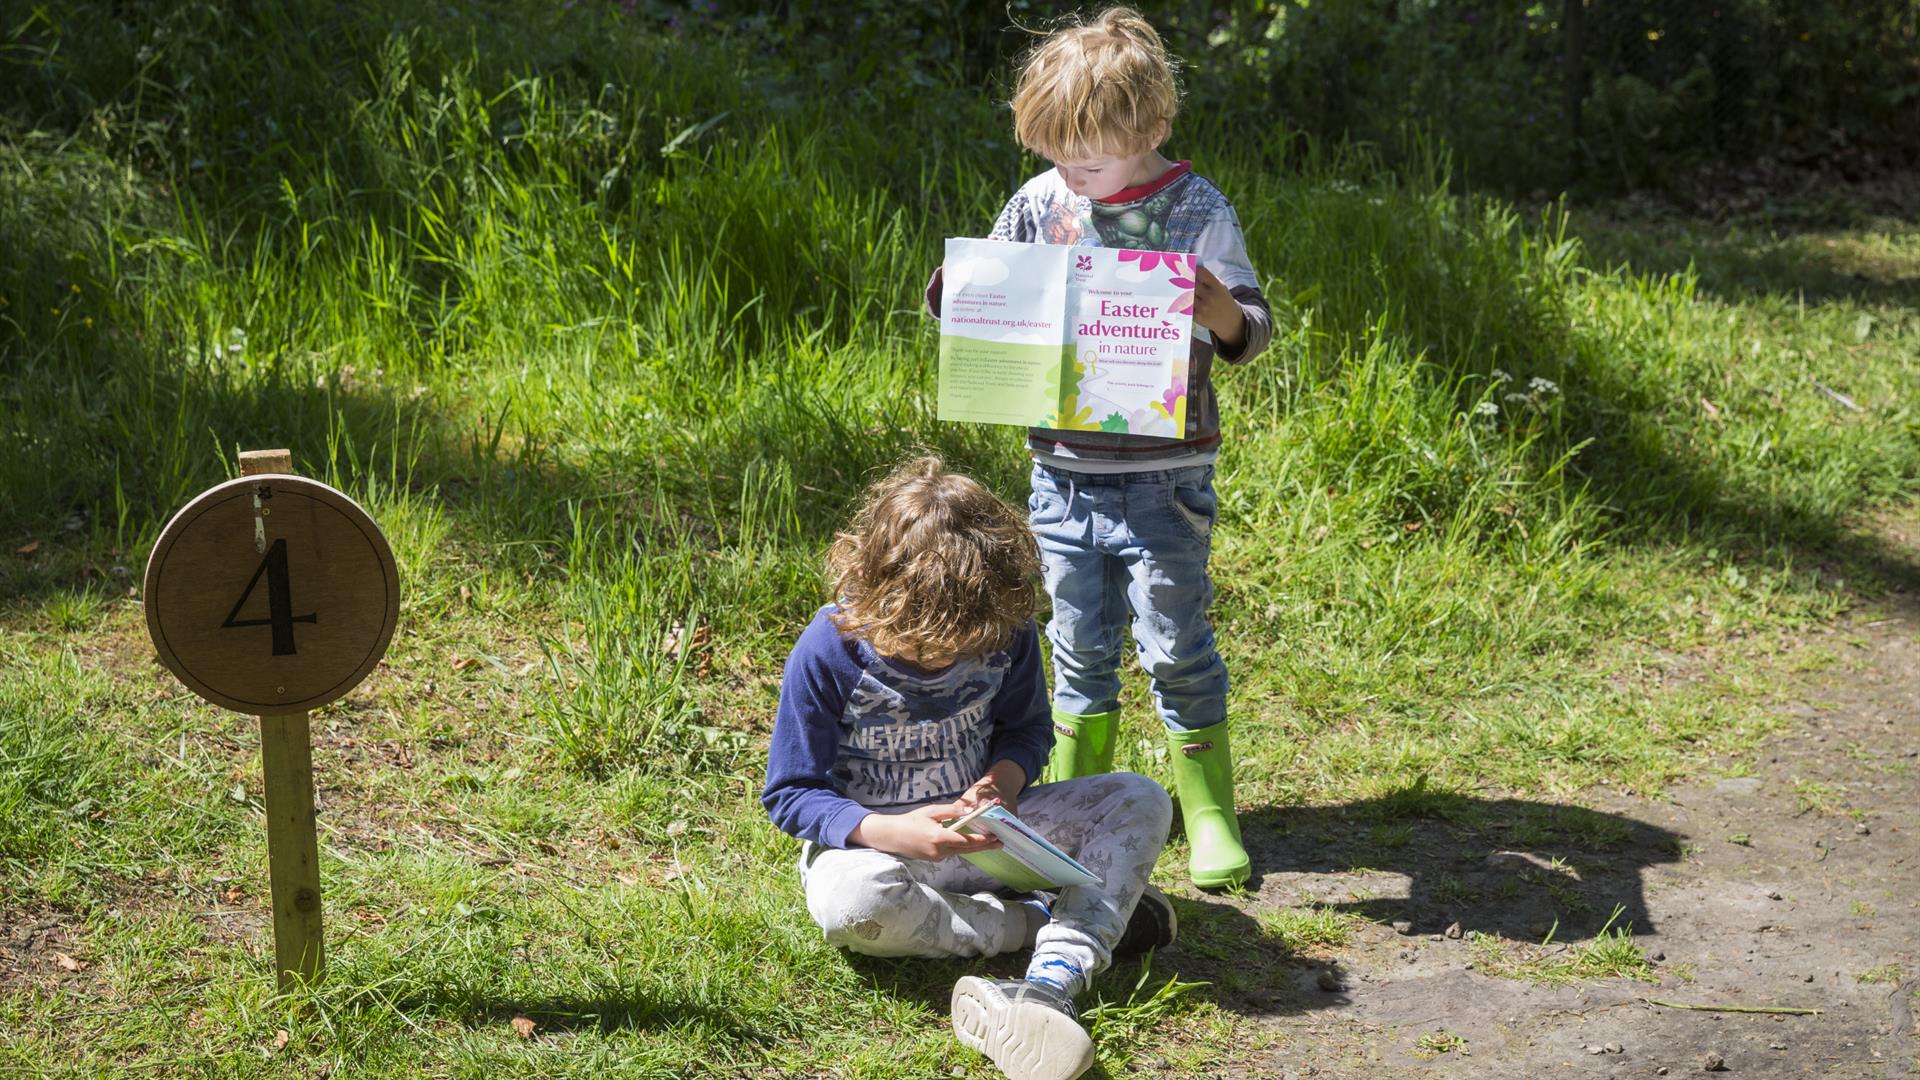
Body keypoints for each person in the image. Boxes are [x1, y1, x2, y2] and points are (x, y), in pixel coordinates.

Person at [926, 7, 1275, 888]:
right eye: (1055, 155)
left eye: (1091, 157)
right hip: (1063, 476)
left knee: (1175, 643)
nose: (1071, 174)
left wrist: (1215, 309)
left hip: (1165, 478)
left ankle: (1209, 814)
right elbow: (984, 307)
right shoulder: (1043, 203)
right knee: (1076, 643)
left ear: (1153, 128)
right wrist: (958, 295)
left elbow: (1253, 329)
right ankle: (1084, 808)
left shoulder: (1195, 207)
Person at [762, 456, 1176, 1080]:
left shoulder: (1004, 632)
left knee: (1141, 798)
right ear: (880, 594)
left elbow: (1027, 731)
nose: (946, 660)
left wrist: (1001, 784)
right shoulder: (829, 651)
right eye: (927, 647)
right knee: (852, 905)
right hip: (885, 854)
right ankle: (1035, 924)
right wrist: (893, 831)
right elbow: (791, 794)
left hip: (991, 839)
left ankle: (1056, 977)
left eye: (964, 647)